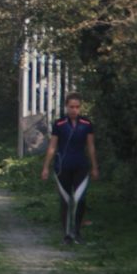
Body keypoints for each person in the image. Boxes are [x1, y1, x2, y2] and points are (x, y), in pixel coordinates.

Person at [41, 93, 99, 244]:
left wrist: (94, 167)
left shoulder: (86, 124)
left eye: (77, 107)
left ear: (80, 108)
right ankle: (67, 235)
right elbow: (52, 146)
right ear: (66, 107)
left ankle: (77, 232)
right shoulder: (59, 124)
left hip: (81, 166)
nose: (74, 110)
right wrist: (46, 167)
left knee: (80, 199)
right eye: (71, 107)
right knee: (66, 200)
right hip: (63, 166)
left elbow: (91, 146)